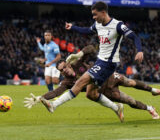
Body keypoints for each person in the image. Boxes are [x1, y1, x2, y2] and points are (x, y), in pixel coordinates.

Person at [39, 1, 143, 113]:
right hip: (100, 61)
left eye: (95, 14)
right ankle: (117, 108)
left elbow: (134, 37)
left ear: (103, 12)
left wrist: (140, 51)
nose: (93, 17)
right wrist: (72, 27)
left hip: (108, 63)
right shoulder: (98, 25)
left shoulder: (118, 25)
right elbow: (87, 31)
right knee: (90, 94)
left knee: (81, 81)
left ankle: (54, 105)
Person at [24, 45, 159, 119]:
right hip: (103, 90)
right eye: (61, 71)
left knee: (130, 82)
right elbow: (55, 92)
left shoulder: (77, 63)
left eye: (65, 67)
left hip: (108, 75)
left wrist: (79, 54)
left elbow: (91, 48)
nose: (64, 71)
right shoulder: (67, 82)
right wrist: (40, 98)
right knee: (129, 101)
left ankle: (152, 90)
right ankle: (150, 109)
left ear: (69, 64)